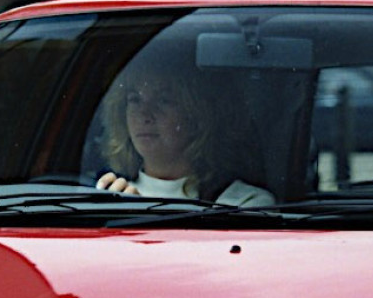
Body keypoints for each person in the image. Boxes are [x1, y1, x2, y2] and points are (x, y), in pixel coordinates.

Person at [94, 66, 274, 207]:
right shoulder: (102, 196)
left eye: (164, 100)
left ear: (197, 116)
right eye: (135, 100)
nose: (144, 114)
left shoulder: (243, 204)